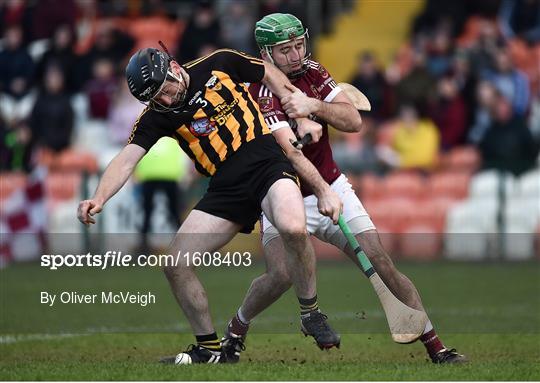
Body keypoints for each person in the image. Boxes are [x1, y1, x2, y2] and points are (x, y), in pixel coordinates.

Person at [221, 13, 467, 365]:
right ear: (266, 55)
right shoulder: (258, 94)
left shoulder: (315, 73)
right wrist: (320, 187)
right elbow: (291, 152)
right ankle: (235, 332)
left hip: (333, 183)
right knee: (281, 276)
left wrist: (314, 106)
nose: (295, 54)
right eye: (285, 50)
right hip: (283, 194)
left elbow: (353, 120)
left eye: (298, 45)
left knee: (380, 260)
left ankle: (435, 346)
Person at [77, 45, 342, 364]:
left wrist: (297, 112)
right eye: (154, 98)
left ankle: (310, 312)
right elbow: (126, 159)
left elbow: (268, 72)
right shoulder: (157, 116)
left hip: (266, 163)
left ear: (174, 68)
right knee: (175, 263)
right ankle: (209, 349)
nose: (164, 100)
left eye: (165, 90)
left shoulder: (220, 63)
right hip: (225, 187)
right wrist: (99, 197)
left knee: (293, 227)